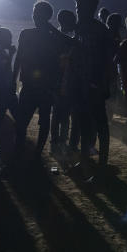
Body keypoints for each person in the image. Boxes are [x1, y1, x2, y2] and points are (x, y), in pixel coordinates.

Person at [68, 0, 117, 177]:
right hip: (82, 84)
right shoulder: (82, 28)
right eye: (77, 8)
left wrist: (102, 84)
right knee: (84, 124)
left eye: (80, 8)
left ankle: (101, 165)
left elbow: (107, 59)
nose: (78, 11)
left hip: (94, 84)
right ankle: (86, 162)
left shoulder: (98, 30)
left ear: (90, 9)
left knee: (99, 124)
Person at [13, 1, 61, 160]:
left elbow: (18, 59)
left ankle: (20, 152)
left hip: (31, 85)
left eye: (35, 13)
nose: (34, 16)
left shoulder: (26, 34)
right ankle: (37, 153)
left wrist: (13, 80)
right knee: (43, 120)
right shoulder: (52, 37)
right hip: (45, 86)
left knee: (22, 122)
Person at [50, 9, 78, 153]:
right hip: (63, 79)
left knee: (58, 112)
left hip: (61, 79)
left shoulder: (56, 36)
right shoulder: (66, 37)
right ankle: (59, 140)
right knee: (63, 112)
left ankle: (57, 141)